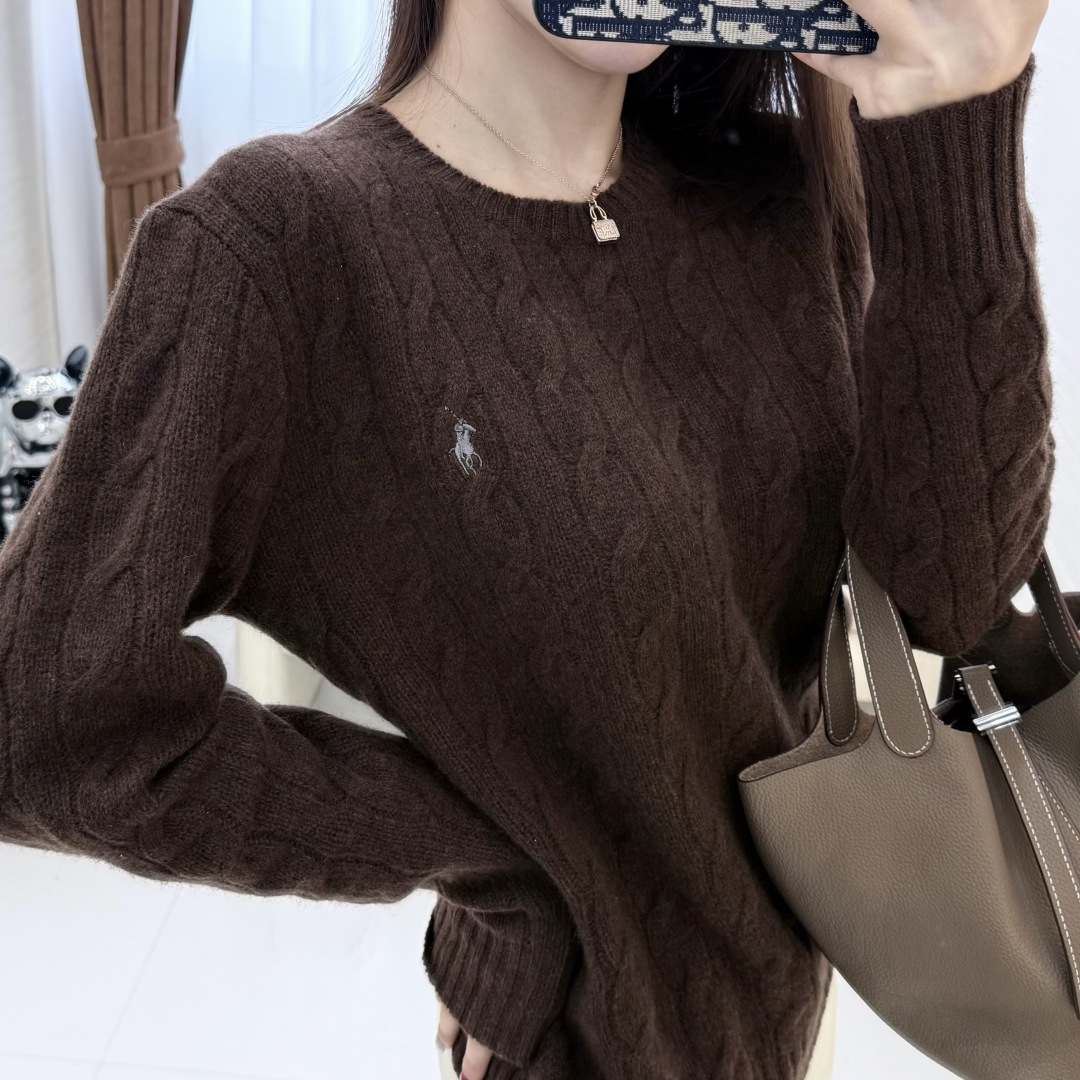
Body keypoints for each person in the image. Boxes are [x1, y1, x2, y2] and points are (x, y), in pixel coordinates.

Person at [0, 0, 1054, 1077]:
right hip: (578, 1041)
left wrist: (951, 124)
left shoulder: (774, 186)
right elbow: (39, 721)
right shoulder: (279, 242)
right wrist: (490, 859)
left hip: (798, 1001)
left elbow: (949, 591)